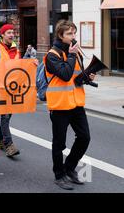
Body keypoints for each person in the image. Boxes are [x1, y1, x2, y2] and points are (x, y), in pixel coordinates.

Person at [45, 20, 93, 190]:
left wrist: (87, 77)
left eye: (74, 33)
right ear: (60, 35)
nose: (73, 37)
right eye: (69, 34)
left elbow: (75, 76)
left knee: (84, 137)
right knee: (59, 142)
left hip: (76, 103)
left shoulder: (75, 53)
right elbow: (65, 75)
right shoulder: (52, 55)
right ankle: (59, 175)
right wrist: (72, 55)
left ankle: (69, 168)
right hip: (60, 105)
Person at [0, 24, 20, 157]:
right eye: (9, 32)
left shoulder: (16, 49)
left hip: (12, 88)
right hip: (0, 87)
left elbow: (19, 66)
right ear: (2, 35)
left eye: (13, 32)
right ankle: (9, 144)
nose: (12, 35)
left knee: (8, 116)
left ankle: (1, 140)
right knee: (5, 116)